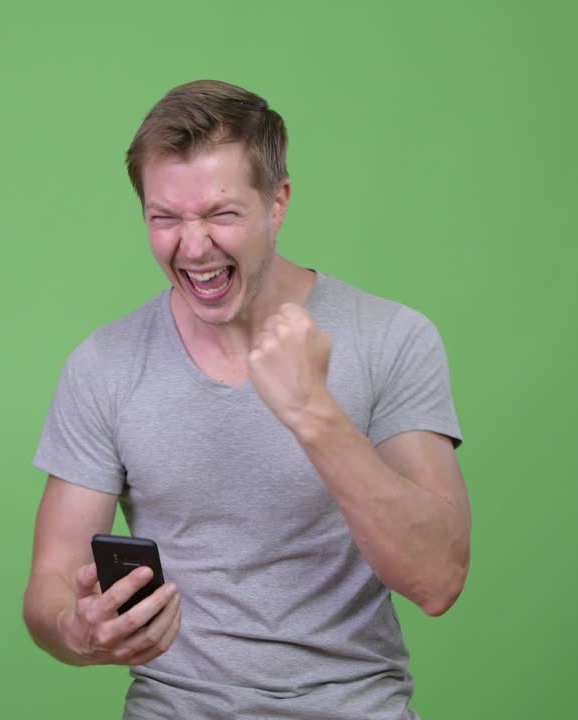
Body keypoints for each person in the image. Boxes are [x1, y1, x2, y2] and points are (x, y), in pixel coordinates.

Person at [24, 80, 469, 719]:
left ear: (278, 202)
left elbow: (438, 579)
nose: (193, 246)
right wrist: (78, 630)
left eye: (221, 214)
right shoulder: (104, 366)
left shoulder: (392, 338)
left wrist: (313, 415)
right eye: (165, 218)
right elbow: (51, 581)